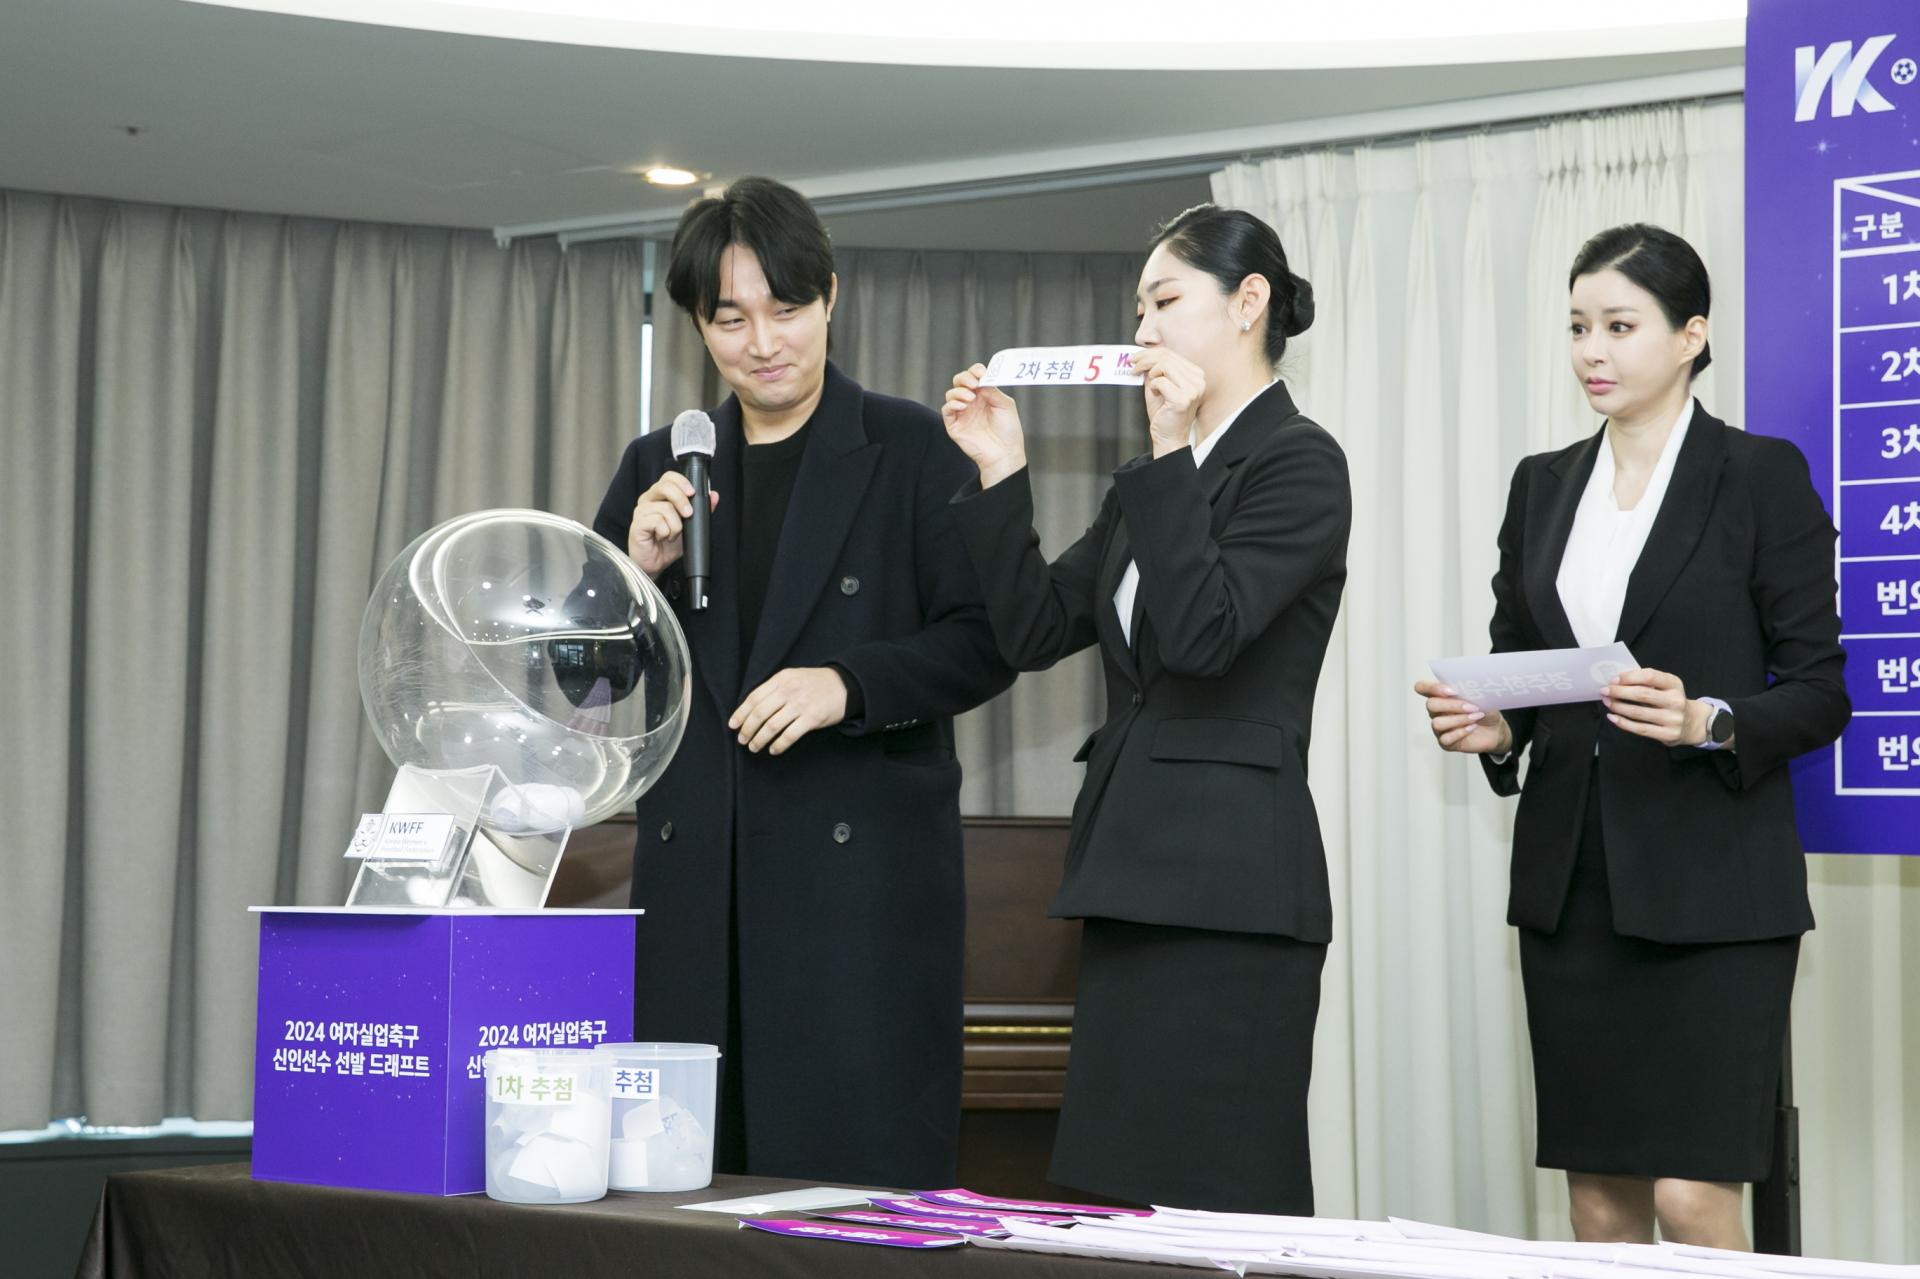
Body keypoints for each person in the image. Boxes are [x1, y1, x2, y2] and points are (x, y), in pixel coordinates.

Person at [1414, 223, 1849, 1248]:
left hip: (1715, 891)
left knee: (1694, 1195)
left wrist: (1708, 720)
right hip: (1574, 888)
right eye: (1577, 327)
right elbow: (1522, 668)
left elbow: (1822, 691)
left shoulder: (1758, 474)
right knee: (1599, 1196)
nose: (1591, 351)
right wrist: (1496, 727)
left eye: (1619, 326)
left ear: (1691, 336)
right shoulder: (1541, 483)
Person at [591, 176, 1013, 1188]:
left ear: (830, 296)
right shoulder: (661, 464)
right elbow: (586, 680)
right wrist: (633, 576)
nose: (763, 343)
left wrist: (848, 685)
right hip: (697, 902)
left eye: (785, 309)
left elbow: (986, 641)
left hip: (854, 907)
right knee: (687, 1192)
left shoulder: (913, 448)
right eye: (730, 319)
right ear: (700, 325)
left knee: (849, 1199)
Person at [940, 205, 1350, 1213]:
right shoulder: (1153, 484)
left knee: (1221, 1194)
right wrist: (1000, 469)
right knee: (1114, 1195)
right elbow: (1033, 631)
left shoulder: (1300, 460)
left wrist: (1169, 457)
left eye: (1165, 301)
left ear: (1248, 303)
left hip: (1234, 890)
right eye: (1138, 310)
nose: (1143, 330)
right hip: (1130, 876)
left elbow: (1206, 638)